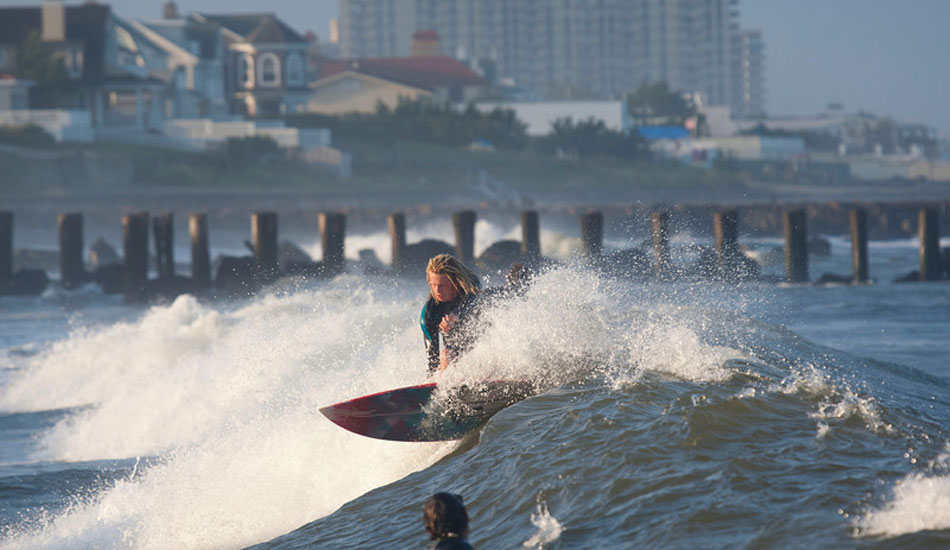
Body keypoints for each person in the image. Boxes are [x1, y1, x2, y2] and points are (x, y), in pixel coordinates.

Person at [421, 254, 482, 373]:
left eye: (442, 286)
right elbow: (432, 360)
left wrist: (457, 314)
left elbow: (475, 295)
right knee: (447, 355)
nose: (437, 291)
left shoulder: (471, 290)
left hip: (483, 338)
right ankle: (446, 389)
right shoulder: (430, 313)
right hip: (457, 347)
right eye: (433, 285)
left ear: (455, 283)